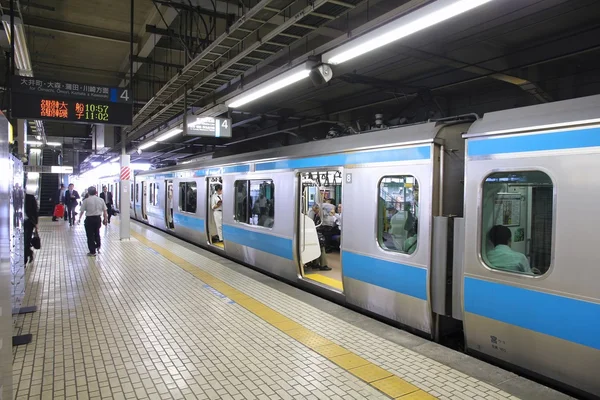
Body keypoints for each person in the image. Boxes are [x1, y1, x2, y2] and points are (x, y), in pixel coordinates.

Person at [78, 186, 108, 257]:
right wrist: (105, 219)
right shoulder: (101, 200)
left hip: (89, 219)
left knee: (90, 235)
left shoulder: (86, 200)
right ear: (96, 192)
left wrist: (79, 218)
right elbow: (105, 211)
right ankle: (98, 245)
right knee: (97, 232)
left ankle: (92, 251)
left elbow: (82, 211)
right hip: (98, 219)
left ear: (88, 193)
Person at [24, 186, 38, 265]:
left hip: (28, 222)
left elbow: (35, 211)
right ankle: (29, 252)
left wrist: (36, 223)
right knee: (22, 242)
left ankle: (24, 260)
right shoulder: (13, 197)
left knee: (26, 241)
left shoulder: (30, 198)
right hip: (17, 223)